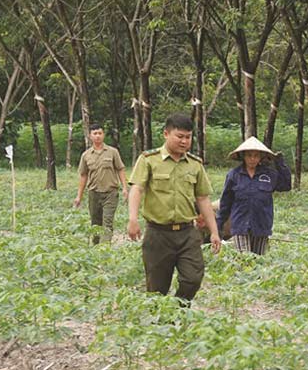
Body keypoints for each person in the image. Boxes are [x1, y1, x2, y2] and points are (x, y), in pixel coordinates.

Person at [127, 114, 221, 303]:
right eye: (180, 136)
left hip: (187, 233)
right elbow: (137, 189)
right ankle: (161, 318)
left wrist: (214, 232)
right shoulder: (149, 160)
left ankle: (178, 309)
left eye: (188, 137)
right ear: (166, 134)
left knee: (193, 278)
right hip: (158, 234)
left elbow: (203, 198)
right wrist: (133, 219)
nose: (184, 141)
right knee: (157, 289)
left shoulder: (195, 164)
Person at [216, 136, 291, 255]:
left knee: (258, 261)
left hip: (261, 226)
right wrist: (218, 226)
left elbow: (286, 186)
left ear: (261, 157)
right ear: (243, 156)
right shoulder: (234, 175)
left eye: (256, 155)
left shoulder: (269, 174)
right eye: (249, 155)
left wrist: (279, 163)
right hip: (240, 225)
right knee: (244, 260)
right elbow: (226, 202)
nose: (252, 159)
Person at [73, 123, 128, 244]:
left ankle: (105, 248)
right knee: (95, 224)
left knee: (107, 222)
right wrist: (79, 196)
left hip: (110, 193)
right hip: (94, 193)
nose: (97, 136)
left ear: (103, 135)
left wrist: (125, 187)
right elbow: (83, 175)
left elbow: (120, 169)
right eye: (95, 133)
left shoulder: (112, 152)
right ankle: (96, 247)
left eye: (100, 133)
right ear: (90, 136)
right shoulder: (86, 155)